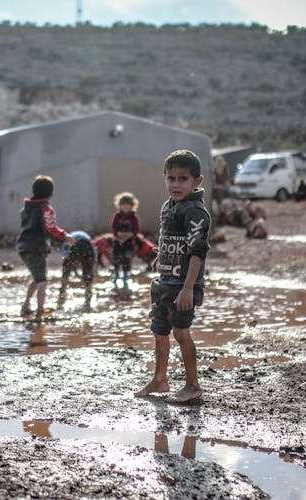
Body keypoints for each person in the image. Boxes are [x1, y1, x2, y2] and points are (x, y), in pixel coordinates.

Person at [136, 149, 211, 404]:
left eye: (182, 179)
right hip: (164, 281)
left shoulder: (195, 212)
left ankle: (192, 385)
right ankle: (160, 379)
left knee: (181, 333)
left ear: (197, 181)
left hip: (182, 285)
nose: (176, 184)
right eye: (171, 178)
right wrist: (161, 256)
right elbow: (166, 236)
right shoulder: (169, 206)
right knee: (159, 331)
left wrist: (189, 288)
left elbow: (197, 251)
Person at [16, 175, 75, 319]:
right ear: (51, 193)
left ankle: (26, 306)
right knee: (42, 281)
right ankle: (40, 312)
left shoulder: (26, 208)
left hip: (23, 247)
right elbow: (50, 227)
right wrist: (64, 236)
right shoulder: (46, 208)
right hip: (36, 248)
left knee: (37, 278)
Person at [57, 231, 97, 310]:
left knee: (66, 272)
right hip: (87, 247)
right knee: (88, 275)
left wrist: (69, 265)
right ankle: (88, 295)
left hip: (74, 245)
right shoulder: (88, 239)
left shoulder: (69, 238)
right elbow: (94, 253)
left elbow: (66, 255)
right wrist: (93, 267)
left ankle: (62, 291)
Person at [110, 192, 141, 289]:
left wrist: (130, 235)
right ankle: (116, 275)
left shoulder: (134, 217)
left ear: (132, 205)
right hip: (117, 242)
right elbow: (113, 227)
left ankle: (125, 277)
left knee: (126, 260)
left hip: (129, 243)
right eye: (123, 205)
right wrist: (118, 234)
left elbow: (136, 229)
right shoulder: (117, 216)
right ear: (119, 205)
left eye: (128, 205)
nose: (126, 207)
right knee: (116, 259)